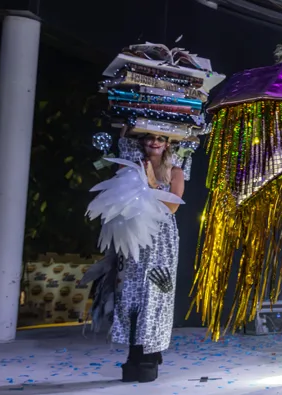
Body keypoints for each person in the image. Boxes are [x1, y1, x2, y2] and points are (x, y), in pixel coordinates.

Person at [111, 133, 185, 382]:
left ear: (168, 143)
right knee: (130, 293)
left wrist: (153, 183)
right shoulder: (129, 167)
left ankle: (151, 353)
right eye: (150, 137)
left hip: (161, 238)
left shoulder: (175, 172)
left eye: (160, 138)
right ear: (142, 141)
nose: (155, 142)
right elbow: (119, 198)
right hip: (133, 234)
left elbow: (171, 207)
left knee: (155, 293)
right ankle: (134, 353)